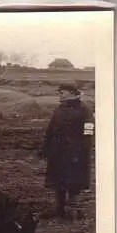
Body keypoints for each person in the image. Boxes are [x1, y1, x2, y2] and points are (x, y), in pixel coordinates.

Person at [38, 83, 94, 220]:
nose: (60, 95)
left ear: (72, 93)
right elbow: (50, 130)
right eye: (60, 92)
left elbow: (89, 132)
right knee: (57, 179)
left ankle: (73, 210)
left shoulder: (84, 110)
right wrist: (45, 149)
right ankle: (59, 208)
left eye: (62, 92)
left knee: (73, 180)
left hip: (75, 152)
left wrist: (81, 151)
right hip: (57, 151)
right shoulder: (59, 109)